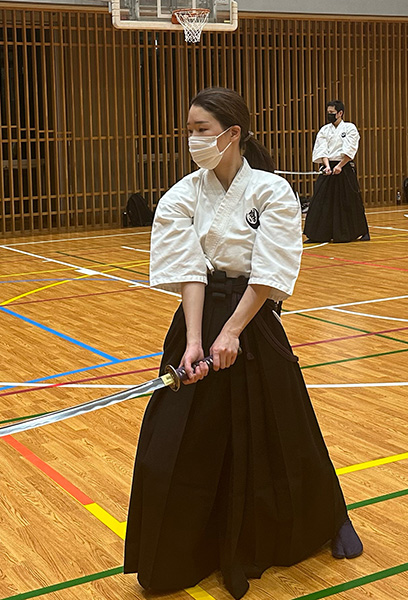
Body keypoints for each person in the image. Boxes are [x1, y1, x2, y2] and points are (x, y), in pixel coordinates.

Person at [124, 88, 362, 599]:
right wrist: (194, 340)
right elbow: (188, 270)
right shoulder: (182, 194)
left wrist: (231, 332)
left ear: (232, 134)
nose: (192, 140)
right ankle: (186, 547)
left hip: (252, 320)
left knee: (278, 431)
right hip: (197, 316)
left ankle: (302, 522)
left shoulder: (272, 191)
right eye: (188, 129)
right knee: (177, 439)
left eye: (202, 130)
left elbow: (271, 270)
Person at [303, 101, 370, 243]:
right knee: (320, 200)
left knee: (349, 200)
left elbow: (350, 148)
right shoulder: (325, 130)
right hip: (328, 167)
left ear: (340, 113)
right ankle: (318, 235)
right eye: (328, 113)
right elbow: (322, 148)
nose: (329, 115)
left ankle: (360, 232)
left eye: (332, 113)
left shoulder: (350, 128)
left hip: (344, 167)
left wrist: (340, 165)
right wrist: (326, 166)